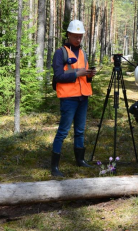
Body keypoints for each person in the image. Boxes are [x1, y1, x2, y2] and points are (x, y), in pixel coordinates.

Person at [51, 20, 97, 177]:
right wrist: (77, 74)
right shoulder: (60, 53)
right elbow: (58, 76)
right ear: (69, 35)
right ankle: (54, 167)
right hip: (69, 98)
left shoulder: (83, 53)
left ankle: (80, 160)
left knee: (80, 130)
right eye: (76, 36)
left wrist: (89, 75)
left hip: (83, 97)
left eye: (80, 36)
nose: (78, 39)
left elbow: (85, 78)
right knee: (63, 131)